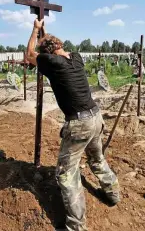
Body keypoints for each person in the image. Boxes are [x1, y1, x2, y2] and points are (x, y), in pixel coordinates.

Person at [26, 19, 120, 231]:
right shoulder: (76, 58)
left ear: (48, 52)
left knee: (66, 175)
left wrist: (34, 29)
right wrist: (45, 33)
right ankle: (113, 194)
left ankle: (76, 226)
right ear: (60, 45)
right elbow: (51, 47)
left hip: (80, 124)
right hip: (96, 117)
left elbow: (29, 55)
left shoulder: (53, 64)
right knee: (97, 159)